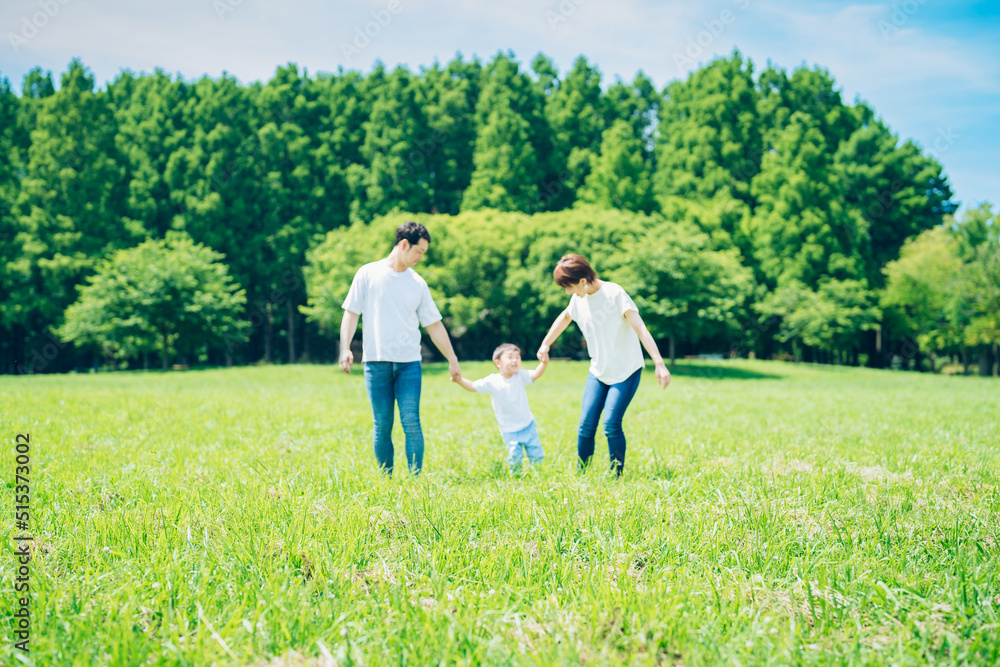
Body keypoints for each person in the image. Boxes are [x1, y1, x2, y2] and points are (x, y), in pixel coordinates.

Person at [339, 221, 461, 475]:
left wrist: (452, 357)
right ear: (404, 244)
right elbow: (351, 313)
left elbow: (434, 325)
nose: (420, 257)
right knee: (382, 424)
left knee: (411, 422)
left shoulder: (417, 283)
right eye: (419, 251)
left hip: (409, 365)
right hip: (375, 362)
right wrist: (345, 348)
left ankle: (416, 480)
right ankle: (387, 478)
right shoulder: (367, 273)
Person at [536, 254, 670, 476]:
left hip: (626, 371)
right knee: (586, 425)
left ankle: (616, 476)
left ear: (582, 280)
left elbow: (641, 329)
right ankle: (582, 474)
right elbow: (565, 318)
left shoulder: (614, 294)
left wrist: (659, 363)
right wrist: (545, 344)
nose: (568, 292)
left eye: (569, 287)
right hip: (598, 371)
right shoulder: (578, 299)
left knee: (611, 424)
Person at [453, 343, 548, 471]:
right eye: (510, 357)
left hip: (528, 424)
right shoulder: (493, 381)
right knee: (515, 456)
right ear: (498, 362)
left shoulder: (520, 375)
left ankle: (538, 473)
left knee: (536, 453)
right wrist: (459, 380)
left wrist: (544, 363)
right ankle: (517, 477)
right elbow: (473, 386)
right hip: (509, 429)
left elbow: (535, 374)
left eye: (517, 357)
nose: (515, 360)